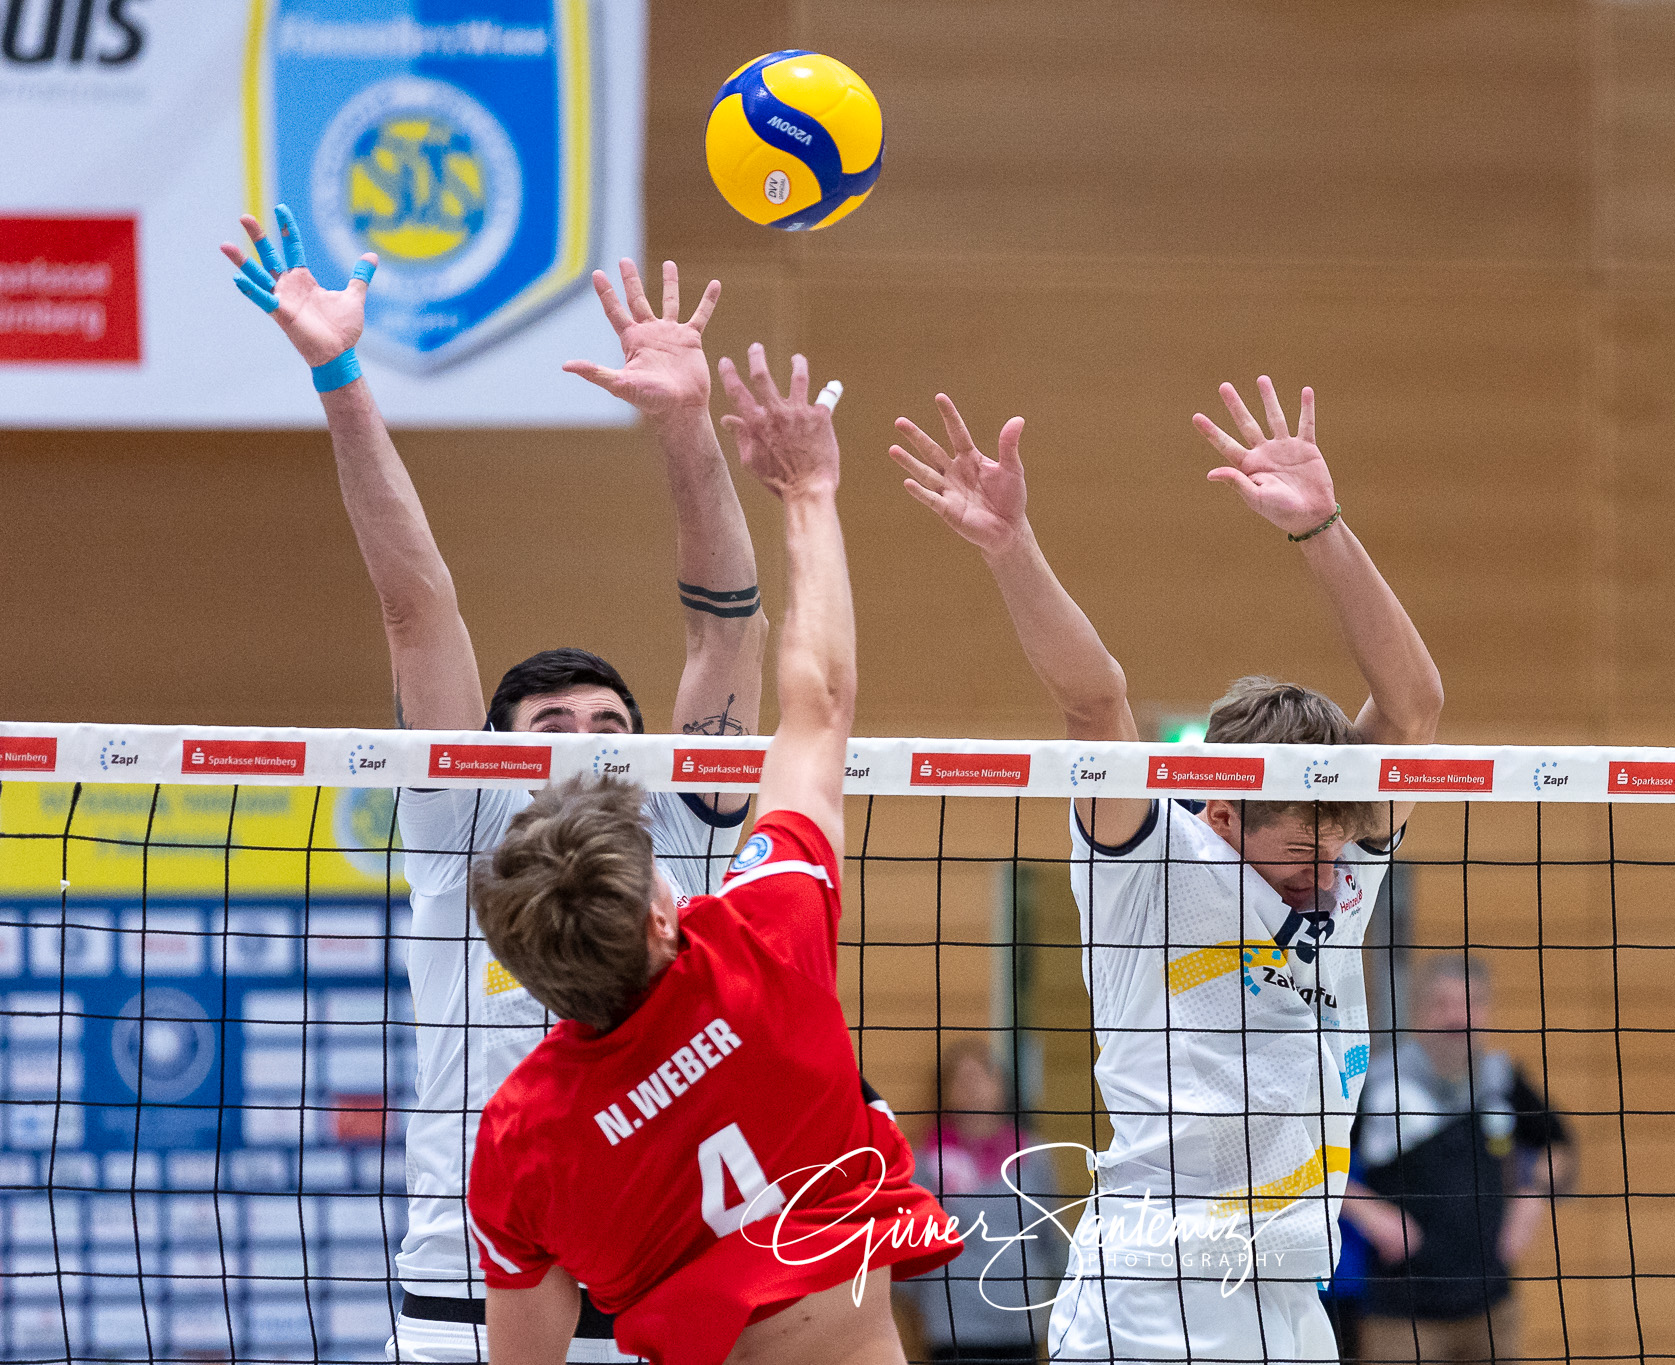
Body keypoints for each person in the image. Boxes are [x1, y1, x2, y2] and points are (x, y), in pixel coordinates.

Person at [222, 205, 767, 1360]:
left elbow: (725, 633)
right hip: (463, 1297)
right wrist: (342, 375)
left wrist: (685, 427)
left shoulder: (684, 819)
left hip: (663, 1295)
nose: (584, 745)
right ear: (496, 748)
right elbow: (415, 603)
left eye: (611, 727)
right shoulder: (464, 817)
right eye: (551, 726)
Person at [888, 379, 1444, 1362]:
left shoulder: (1339, 872)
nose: (1326, 878)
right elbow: (1094, 700)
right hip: (1153, 1290)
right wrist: (1010, 548)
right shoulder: (1148, 864)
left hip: (1289, 1289)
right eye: (1297, 856)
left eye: (1333, 848)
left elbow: (1411, 709)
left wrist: (1320, 528)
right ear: (1222, 816)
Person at [464, 344, 960, 1365]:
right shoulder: (760, 941)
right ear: (660, 912)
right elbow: (817, 704)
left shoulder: (520, 1135)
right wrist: (808, 493)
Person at [1346, 955, 1577, 1363]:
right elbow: (1315, 1165)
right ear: (1418, 1010)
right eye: (1443, 1003)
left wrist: (1533, 1198)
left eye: (1471, 1004)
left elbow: (1557, 1145)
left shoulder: (1501, 1080)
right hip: (1401, 1313)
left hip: (1491, 1308)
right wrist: (1370, 1214)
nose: (1458, 1017)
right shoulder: (1377, 1084)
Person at [896, 1041, 1060, 1364]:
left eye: (982, 1076)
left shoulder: (1033, 1156)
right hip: (952, 1330)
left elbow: (1051, 1239)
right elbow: (907, 1249)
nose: (973, 1087)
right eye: (962, 1079)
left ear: (1001, 1085)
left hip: (1019, 1325)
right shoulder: (926, 1163)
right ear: (946, 1092)